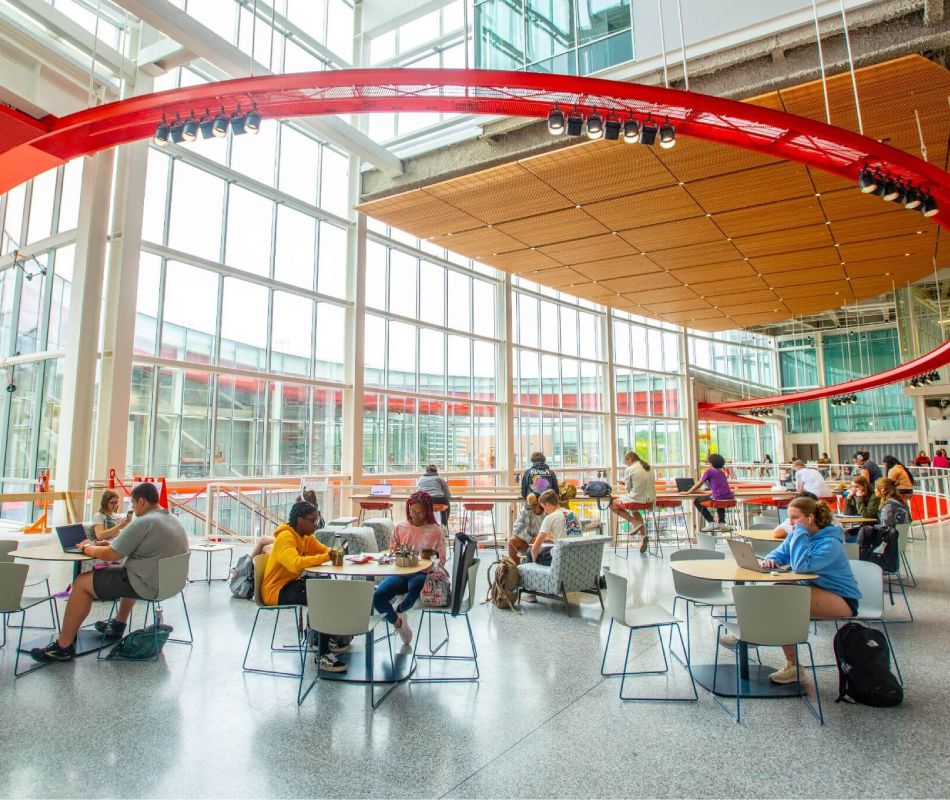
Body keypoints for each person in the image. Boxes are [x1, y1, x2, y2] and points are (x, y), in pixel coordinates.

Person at [30, 482, 189, 663]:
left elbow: (110, 554)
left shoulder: (144, 522)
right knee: (126, 568)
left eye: (134, 504)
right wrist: (111, 545)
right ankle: (118, 624)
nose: (133, 509)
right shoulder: (171, 519)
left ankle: (63, 646)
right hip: (169, 584)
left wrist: (88, 547)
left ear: (142, 501)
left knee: (82, 582)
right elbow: (132, 548)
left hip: (146, 583)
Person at [756, 497, 861, 684]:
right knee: (778, 593)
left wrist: (799, 533)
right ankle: (791, 665)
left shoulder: (830, 543)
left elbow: (801, 567)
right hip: (814, 589)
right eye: (790, 518)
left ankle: (760, 637)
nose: (791, 523)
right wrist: (771, 560)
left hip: (842, 599)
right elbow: (778, 553)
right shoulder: (798, 534)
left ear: (810, 518)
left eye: (795, 518)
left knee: (783, 599)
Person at [260, 499, 348, 673]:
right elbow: (294, 564)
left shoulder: (305, 537)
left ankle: (320, 638)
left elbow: (324, 550)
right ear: (300, 520)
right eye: (312, 520)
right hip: (276, 591)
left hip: (290, 584)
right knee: (321, 596)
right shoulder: (286, 537)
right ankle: (322, 654)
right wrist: (327, 557)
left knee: (328, 587)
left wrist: (332, 552)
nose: (316, 524)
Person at [373, 491, 446, 645]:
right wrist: (396, 553)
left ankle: (400, 610)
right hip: (401, 572)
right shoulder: (400, 528)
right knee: (377, 597)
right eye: (412, 511)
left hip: (422, 573)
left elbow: (442, 559)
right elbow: (391, 552)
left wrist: (432, 557)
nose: (415, 515)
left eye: (420, 513)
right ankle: (398, 623)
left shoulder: (436, 530)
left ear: (427, 512)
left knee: (414, 588)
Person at [249, 490, 324, 559]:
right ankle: (249, 568)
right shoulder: (317, 517)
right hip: (298, 545)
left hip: (299, 548)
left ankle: (247, 568)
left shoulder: (309, 519)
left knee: (264, 544)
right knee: (264, 541)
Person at [609, 451, 656, 554]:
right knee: (634, 510)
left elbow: (628, 489)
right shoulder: (649, 467)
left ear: (629, 458)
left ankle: (635, 523)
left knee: (612, 504)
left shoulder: (629, 469)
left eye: (626, 462)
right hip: (649, 501)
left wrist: (624, 484)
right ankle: (643, 536)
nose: (627, 464)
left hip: (636, 499)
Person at [527, 489, 581, 572]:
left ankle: (532, 577)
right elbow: (569, 534)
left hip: (559, 558)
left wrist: (534, 562)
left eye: (544, 508)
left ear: (548, 505)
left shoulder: (550, 517)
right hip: (576, 556)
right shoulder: (573, 514)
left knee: (530, 551)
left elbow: (535, 547)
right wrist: (552, 537)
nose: (545, 512)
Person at [687, 453, 734, 531]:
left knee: (696, 501)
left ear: (711, 463)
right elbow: (720, 488)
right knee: (720, 502)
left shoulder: (709, 471)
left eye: (708, 462)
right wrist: (709, 493)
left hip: (718, 498)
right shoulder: (722, 473)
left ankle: (712, 522)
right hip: (729, 498)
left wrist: (688, 492)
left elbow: (699, 484)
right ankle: (722, 523)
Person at [507, 493, 544, 561]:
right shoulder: (525, 510)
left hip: (545, 542)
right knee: (512, 541)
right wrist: (529, 539)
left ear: (541, 504)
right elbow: (516, 530)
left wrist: (539, 538)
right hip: (530, 541)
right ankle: (515, 570)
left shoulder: (548, 511)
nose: (532, 510)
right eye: (530, 507)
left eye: (534, 507)